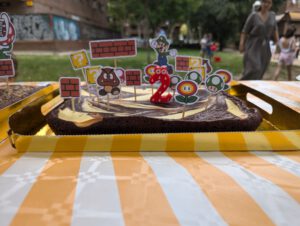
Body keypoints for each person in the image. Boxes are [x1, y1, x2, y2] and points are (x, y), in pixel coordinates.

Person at [239, 0, 279, 80]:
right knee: (254, 68)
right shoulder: (254, 15)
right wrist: (241, 44)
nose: (266, 4)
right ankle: (242, 86)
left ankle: (253, 88)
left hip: (266, 46)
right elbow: (244, 31)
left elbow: (275, 30)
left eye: (269, 2)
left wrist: (277, 44)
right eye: (264, 2)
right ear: (261, 3)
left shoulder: (272, 15)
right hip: (253, 44)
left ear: (271, 4)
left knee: (261, 69)